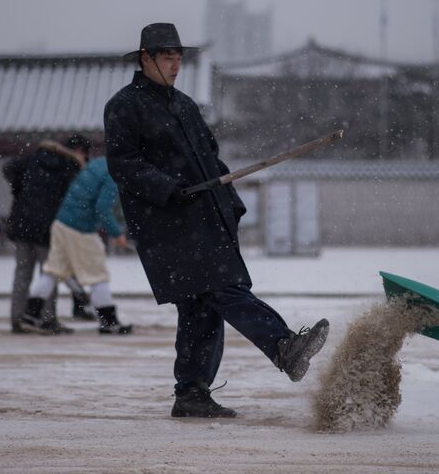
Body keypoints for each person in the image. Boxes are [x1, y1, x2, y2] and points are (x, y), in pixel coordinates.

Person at [104, 22, 329, 418]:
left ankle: (191, 393)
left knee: (200, 306)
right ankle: (283, 346)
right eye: (167, 57)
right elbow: (124, 166)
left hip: (205, 218)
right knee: (223, 287)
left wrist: (231, 201)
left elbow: (213, 161)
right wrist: (167, 187)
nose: (175, 65)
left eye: (178, 57)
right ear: (145, 58)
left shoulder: (185, 105)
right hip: (167, 226)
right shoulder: (124, 106)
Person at [19, 157, 133, 335]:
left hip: (62, 223)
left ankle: (30, 315)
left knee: (53, 271)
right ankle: (109, 322)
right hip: (81, 230)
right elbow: (103, 208)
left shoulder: (99, 163)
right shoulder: (113, 174)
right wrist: (117, 234)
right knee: (97, 275)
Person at [3, 135, 95, 334]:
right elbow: (73, 200)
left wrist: (20, 192)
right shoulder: (69, 167)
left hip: (22, 224)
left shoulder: (31, 160)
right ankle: (47, 319)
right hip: (47, 227)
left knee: (22, 273)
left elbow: (8, 168)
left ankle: (17, 318)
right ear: (79, 151)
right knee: (50, 273)